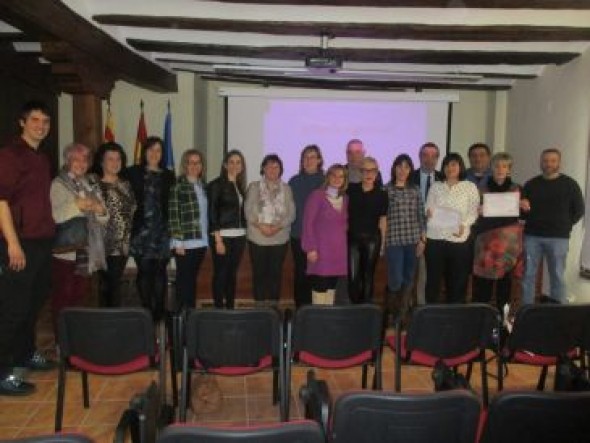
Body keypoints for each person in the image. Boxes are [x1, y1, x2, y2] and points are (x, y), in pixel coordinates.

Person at [0, 101, 56, 395]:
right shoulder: (10, 156)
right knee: (12, 310)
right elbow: (0, 203)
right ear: (22, 122)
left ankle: (25, 354)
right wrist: (12, 244)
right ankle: (3, 372)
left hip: (41, 242)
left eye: (45, 121)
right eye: (35, 120)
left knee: (32, 306)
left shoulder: (42, 158)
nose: (41, 126)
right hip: (18, 245)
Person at [50, 143, 109, 329]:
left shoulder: (89, 182)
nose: (81, 164)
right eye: (76, 159)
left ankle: (75, 338)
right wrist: (78, 205)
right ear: (68, 161)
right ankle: (62, 341)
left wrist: (100, 210)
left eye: (84, 160)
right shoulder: (58, 184)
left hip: (86, 249)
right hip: (66, 252)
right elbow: (55, 215)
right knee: (63, 297)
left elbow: (104, 216)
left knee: (79, 295)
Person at [520, 148, 584, 305]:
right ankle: (526, 311)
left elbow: (579, 210)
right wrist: (522, 207)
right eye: (545, 160)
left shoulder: (570, 184)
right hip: (532, 236)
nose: (548, 164)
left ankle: (558, 313)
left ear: (559, 163)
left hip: (558, 238)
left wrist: (564, 225)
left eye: (552, 160)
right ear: (541, 162)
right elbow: (522, 214)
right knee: (528, 275)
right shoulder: (530, 184)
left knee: (557, 276)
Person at [127, 136, 175, 322]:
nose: (154, 154)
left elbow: (171, 205)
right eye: (151, 150)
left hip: (162, 231)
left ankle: (159, 310)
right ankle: (146, 308)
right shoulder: (132, 173)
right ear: (144, 152)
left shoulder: (168, 176)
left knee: (161, 271)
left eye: (158, 151)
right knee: (145, 270)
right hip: (141, 231)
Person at [425, 153, 479, 304]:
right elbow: (428, 206)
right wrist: (428, 211)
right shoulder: (436, 186)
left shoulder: (469, 187)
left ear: (460, 167)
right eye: (447, 165)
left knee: (457, 281)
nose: (450, 168)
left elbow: (473, 212)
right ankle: (431, 314)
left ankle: (455, 315)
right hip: (435, 239)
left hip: (459, 240)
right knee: (433, 281)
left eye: (454, 164)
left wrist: (464, 225)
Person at [472, 152, 522, 312]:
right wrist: (476, 210)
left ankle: (502, 322)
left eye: (504, 166)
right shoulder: (480, 190)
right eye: (497, 166)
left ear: (509, 170)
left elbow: (523, 216)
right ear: (491, 168)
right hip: (486, 244)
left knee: (504, 286)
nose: (500, 169)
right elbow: (470, 214)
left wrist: (524, 205)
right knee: (482, 286)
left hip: (507, 247)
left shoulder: (517, 189)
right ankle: (480, 319)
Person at [245, 154, 295, 308]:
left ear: (280, 170)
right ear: (263, 169)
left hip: (279, 239)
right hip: (257, 238)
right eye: (269, 166)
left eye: (276, 166)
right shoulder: (254, 187)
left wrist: (276, 228)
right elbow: (247, 211)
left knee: (275, 275)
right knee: (259, 274)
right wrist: (262, 227)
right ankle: (259, 308)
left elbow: (292, 214)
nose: (273, 169)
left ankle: (273, 309)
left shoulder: (286, 189)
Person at [94, 142, 136, 307]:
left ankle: (111, 320)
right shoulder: (95, 186)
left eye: (118, 159)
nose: (115, 162)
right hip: (104, 244)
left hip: (123, 243)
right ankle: (111, 322)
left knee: (114, 283)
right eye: (110, 159)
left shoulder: (126, 184)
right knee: (109, 286)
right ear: (102, 162)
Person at [385, 154, 426, 318]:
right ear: (394, 168)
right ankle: (391, 312)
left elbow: (421, 216)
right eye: (399, 166)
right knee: (395, 279)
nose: (402, 170)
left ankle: (402, 316)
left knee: (409, 278)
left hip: (413, 241)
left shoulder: (415, 189)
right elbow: (382, 218)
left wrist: (423, 239)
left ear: (410, 170)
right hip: (393, 241)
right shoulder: (385, 189)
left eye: (406, 167)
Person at [302, 164, 348, 305]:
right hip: (320, 252)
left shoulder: (346, 199)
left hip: (338, 253)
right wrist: (310, 248)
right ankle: (318, 323)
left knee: (331, 289)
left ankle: (326, 322)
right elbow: (307, 223)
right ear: (328, 177)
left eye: (341, 176)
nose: (337, 179)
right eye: (334, 175)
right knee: (320, 288)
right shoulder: (317, 196)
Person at [168, 149, 208, 311]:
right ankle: (181, 317)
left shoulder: (202, 186)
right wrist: (177, 242)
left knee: (191, 280)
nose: (194, 165)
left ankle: (189, 314)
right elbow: (173, 214)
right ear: (185, 165)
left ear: (201, 166)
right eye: (190, 162)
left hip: (201, 241)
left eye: (197, 162)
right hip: (184, 243)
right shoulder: (178, 186)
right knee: (184, 281)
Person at [207, 150, 247, 309]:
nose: (235, 165)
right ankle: (218, 309)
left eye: (238, 162)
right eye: (231, 162)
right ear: (225, 165)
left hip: (239, 236)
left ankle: (230, 307)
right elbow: (211, 213)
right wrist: (218, 240)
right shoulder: (216, 184)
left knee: (232, 274)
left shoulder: (240, 186)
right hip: (222, 236)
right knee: (221, 274)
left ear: (242, 166)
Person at [288, 145, 325, 308]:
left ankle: (316, 311)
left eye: (312, 157)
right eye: (306, 157)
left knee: (317, 275)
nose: (309, 160)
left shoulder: (326, 182)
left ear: (319, 160)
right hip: (298, 236)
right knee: (301, 274)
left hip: (320, 239)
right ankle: (301, 311)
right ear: (302, 161)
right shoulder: (294, 181)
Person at [347, 157, 388, 303]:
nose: (369, 173)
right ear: (360, 172)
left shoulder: (382, 194)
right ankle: (354, 308)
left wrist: (382, 244)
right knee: (353, 277)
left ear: (377, 173)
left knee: (368, 275)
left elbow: (382, 220)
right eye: (365, 170)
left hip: (373, 240)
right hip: (352, 239)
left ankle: (365, 310)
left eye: (372, 170)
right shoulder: (351, 189)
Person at [410, 142, 443, 305]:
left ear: (437, 158)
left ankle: (422, 308)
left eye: (433, 156)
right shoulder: (409, 177)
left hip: (435, 234)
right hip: (410, 232)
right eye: (425, 155)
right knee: (408, 274)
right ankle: (404, 307)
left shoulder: (444, 179)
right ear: (419, 157)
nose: (429, 160)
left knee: (427, 274)